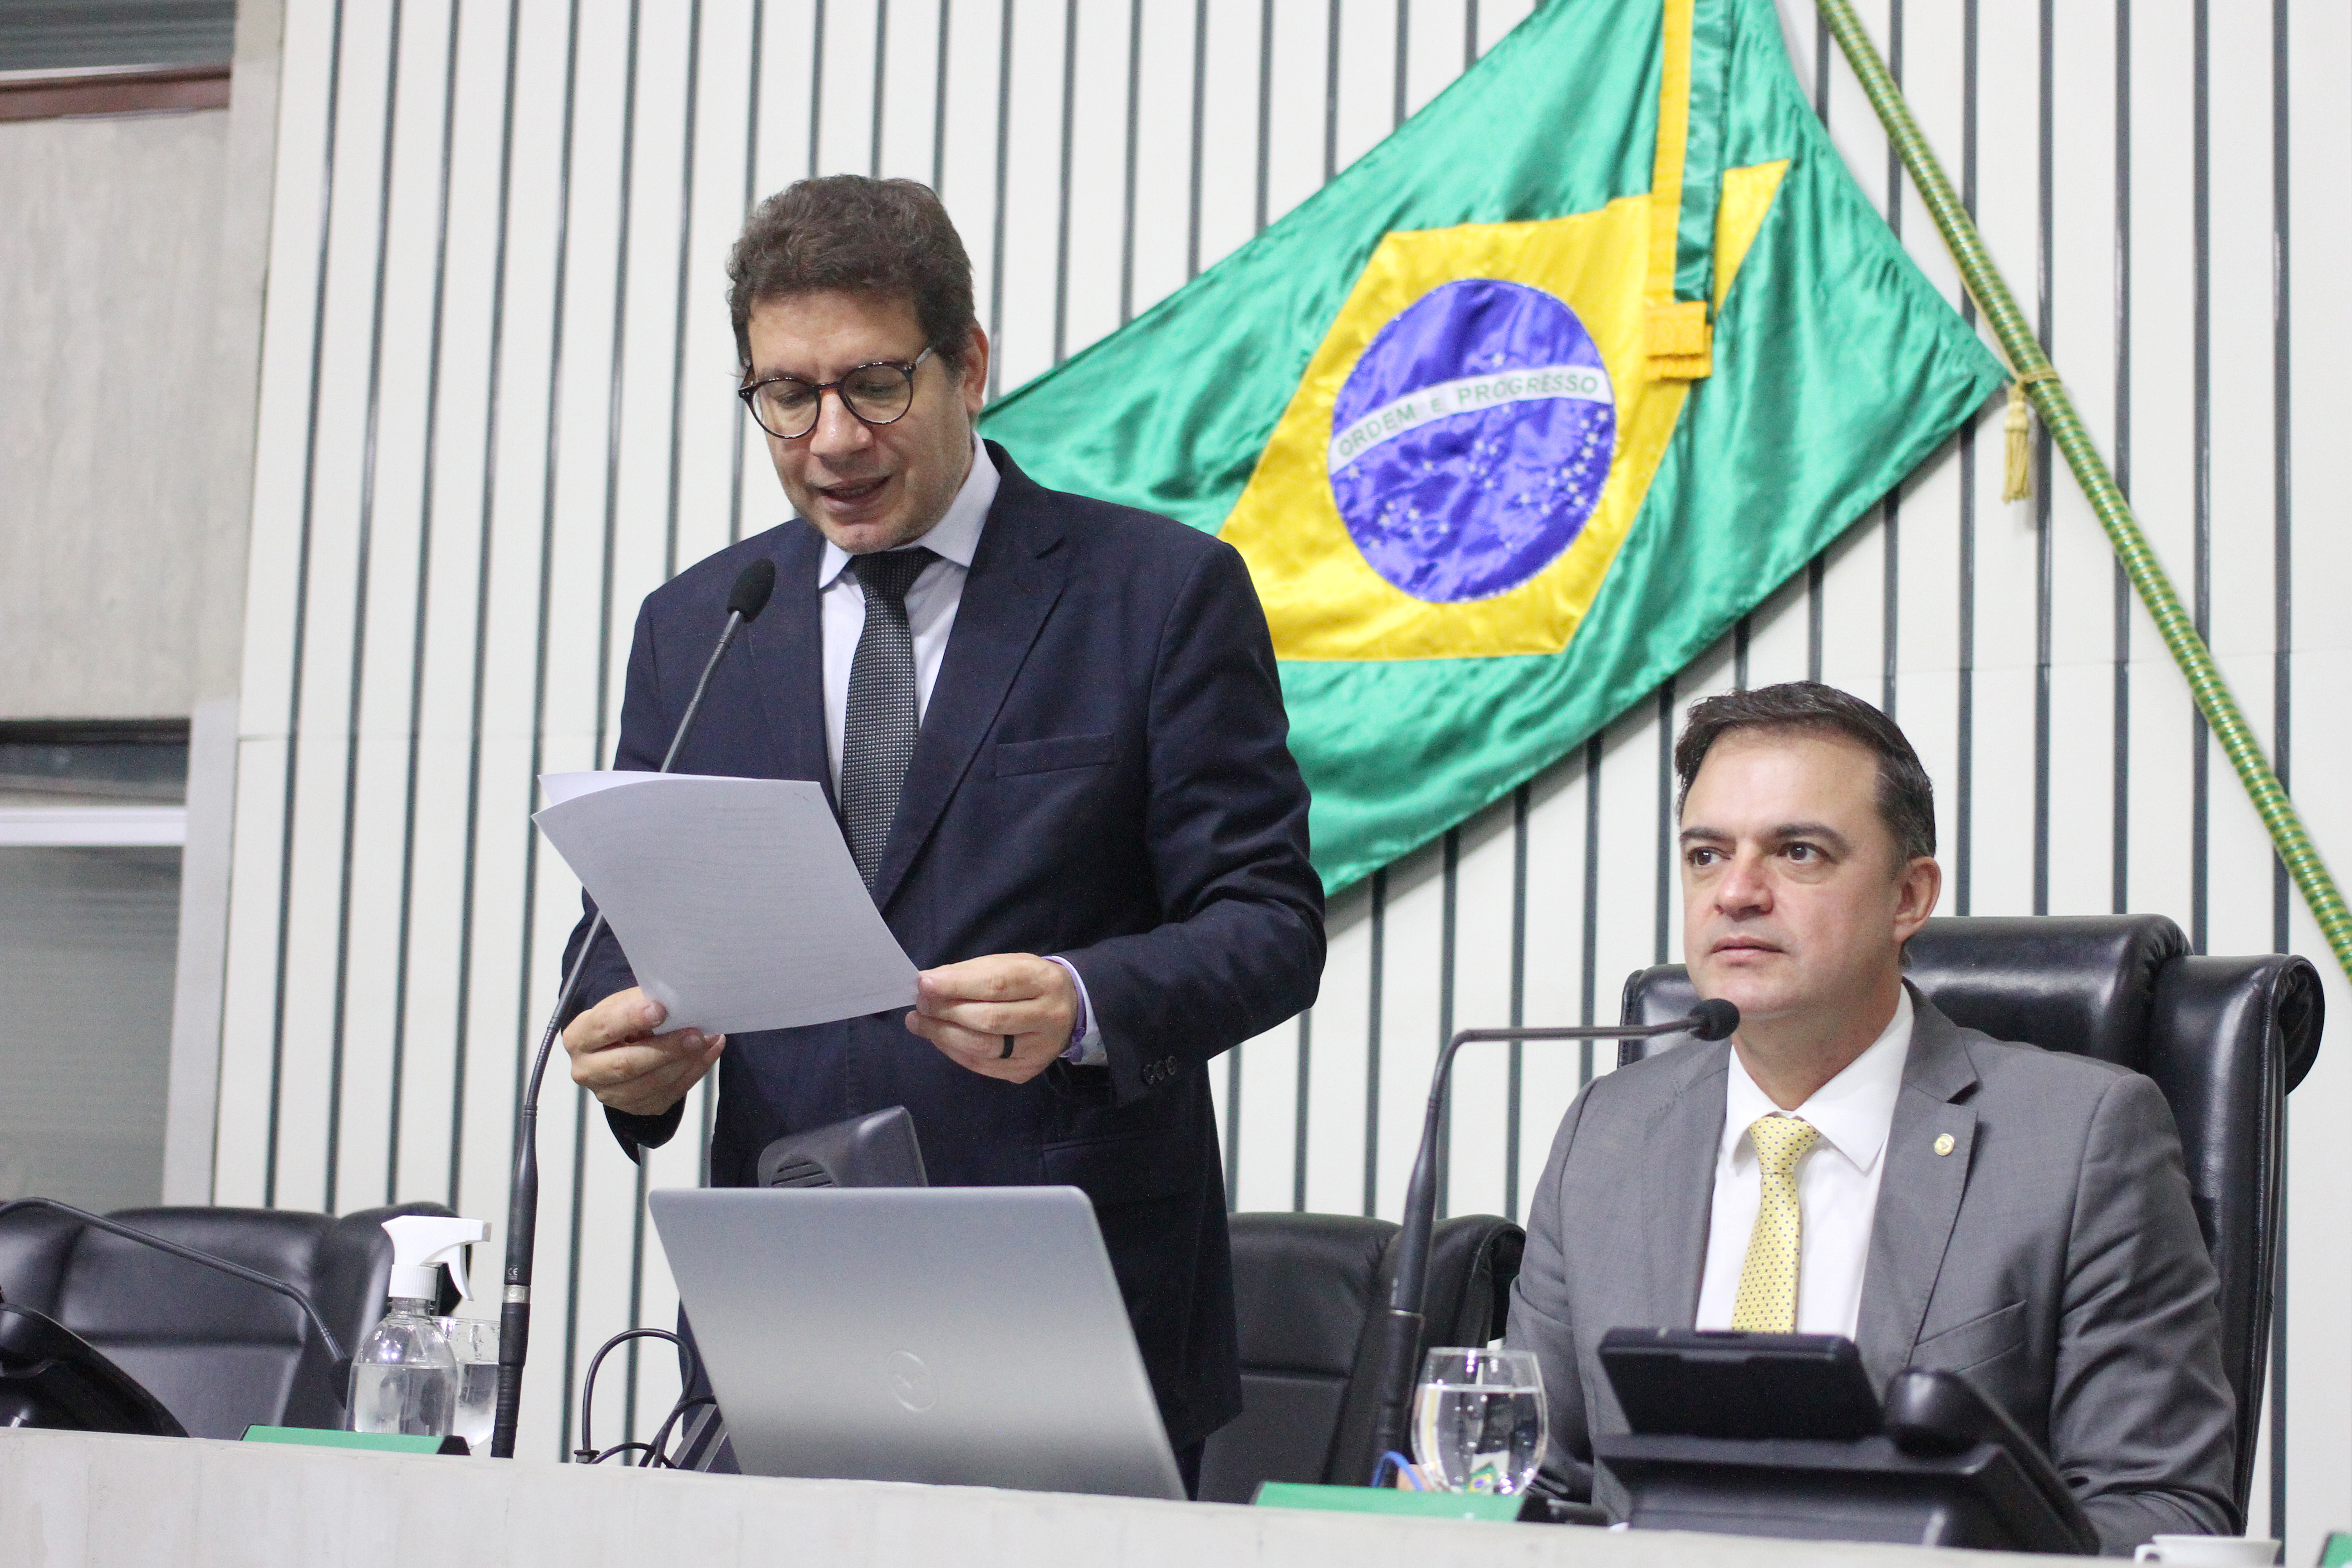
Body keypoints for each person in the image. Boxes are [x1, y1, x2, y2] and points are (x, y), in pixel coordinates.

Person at [555, 175, 1325, 1488]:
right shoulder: (699, 624)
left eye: (874, 384)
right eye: (785, 396)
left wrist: (1084, 997)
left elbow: (1268, 923)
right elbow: (624, 937)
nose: (831, 439)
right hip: (779, 1314)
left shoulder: (1156, 595)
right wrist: (628, 1050)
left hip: (1076, 1307)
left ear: (968, 363)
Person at [1505, 681, 2236, 1552]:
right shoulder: (1608, 1136)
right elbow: (1530, 1483)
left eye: (1798, 852)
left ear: (1909, 899)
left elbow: (2159, 1509)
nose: (1736, 893)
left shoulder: (2081, 1141)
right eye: (1706, 855)